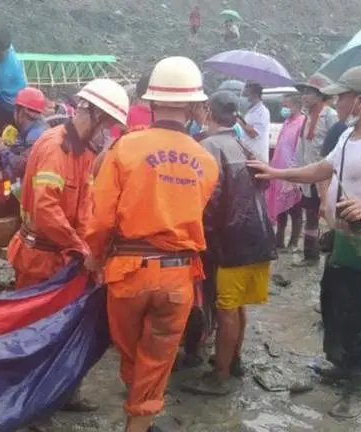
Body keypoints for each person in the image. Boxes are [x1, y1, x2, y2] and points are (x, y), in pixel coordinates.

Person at [247, 66, 361, 418]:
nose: (334, 102)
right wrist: (277, 173)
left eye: (340, 96)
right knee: (337, 304)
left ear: (359, 101)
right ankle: (341, 366)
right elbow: (323, 169)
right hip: (346, 236)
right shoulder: (348, 135)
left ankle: (355, 386)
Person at [85, 56, 219, 432]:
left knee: (129, 352)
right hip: (178, 276)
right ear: (194, 107)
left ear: (151, 103)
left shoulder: (124, 149)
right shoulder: (206, 161)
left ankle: (136, 411)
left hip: (127, 274)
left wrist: (95, 260)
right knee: (158, 358)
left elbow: (100, 220)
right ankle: (139, 420)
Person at [7, 78, 129, 412]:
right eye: (109, 126)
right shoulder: (53, 148)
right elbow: (47, 210)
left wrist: (94, 247)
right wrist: (82, 247)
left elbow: (87, 205)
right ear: (91, 114)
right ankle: (24, 400)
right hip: (39, 259)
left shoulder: (83, 153)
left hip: (63, 257)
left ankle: (58, 391)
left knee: (60, 330)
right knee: (31, 333)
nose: (109, 136)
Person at [179, 91, 276, 395]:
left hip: (231, 241)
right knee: (238, 305)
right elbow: (266, 180)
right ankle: (233, 361)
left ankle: (219, 375)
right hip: (258, 237)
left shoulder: (207, 147)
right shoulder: (243, 144)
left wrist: (197, 238)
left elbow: (209, 198)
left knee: (226, 309)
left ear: (208, 112)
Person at [294, 76, 339, 265]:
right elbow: (302, 147)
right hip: (309, 174)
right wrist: (297, 172)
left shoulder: (329, 115)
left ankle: (319, 252)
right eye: (304, 92)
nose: (305, 96)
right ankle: (310, 253)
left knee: (324, 214)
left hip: (323, 175)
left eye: (309, 92)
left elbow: (335, 145)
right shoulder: (308, 117)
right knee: (310, 215)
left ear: (320, 95)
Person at [0, 86, 49, 197]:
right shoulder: (40, 129)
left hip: (35, 198)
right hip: (39, 194)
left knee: (11, 183)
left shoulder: (35, 136)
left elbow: (19, 166)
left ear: (20, 111)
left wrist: (4, 150)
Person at [266, 94, 305, 250]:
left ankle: (294, 242)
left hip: (293, 171)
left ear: (296, 106)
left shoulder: (301, 123)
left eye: (286, 106)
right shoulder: (287, 122)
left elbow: (299, 149)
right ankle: (279, 240)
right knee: (280, 207)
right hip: (280, 170)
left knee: (295, 207)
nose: (284, 109)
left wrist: (295, 171)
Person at [237, 83, 270, 163]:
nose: (243, 98)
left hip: (257, 157)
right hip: (248, 155)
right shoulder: (250, 111)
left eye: (246, 95)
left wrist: (240, 122)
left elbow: (254, 133)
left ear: (255, 95)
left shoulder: (262, 112)